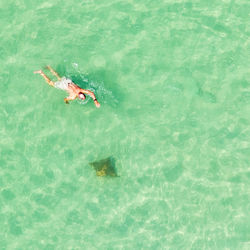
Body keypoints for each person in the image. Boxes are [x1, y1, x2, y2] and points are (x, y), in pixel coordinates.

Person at [34, 66, 100, 108]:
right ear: (79, 97)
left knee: (58, 77)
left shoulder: (80, 90)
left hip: (68, 81)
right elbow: (65, 99)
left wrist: (95, 100)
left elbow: (90, 93)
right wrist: (66, 102)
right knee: (50, 83)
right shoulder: (73, 96)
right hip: (64, 86)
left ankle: (49, 68)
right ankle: (41, 73)